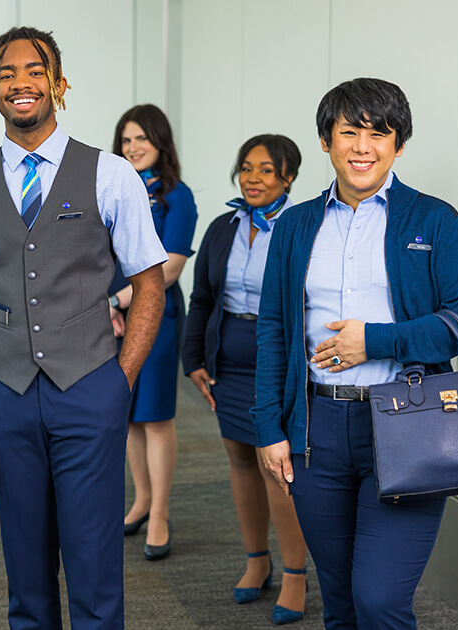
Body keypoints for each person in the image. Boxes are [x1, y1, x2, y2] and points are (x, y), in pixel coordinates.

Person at [0, 26, 167, 630]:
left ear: (59, 84)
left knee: (94, 576)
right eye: (6, 74)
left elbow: (150, 285)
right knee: (26, 582)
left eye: (35, 71)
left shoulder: (112, 175)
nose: (20, 83)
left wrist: (121, 381)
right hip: (3, 396)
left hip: (89, 388)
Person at [255, 78, 458, 629]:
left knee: (379, 601)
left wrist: (377, 340)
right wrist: (269, 425)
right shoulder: (294, 226)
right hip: (316, 430)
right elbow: (273, 329)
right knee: (339, 602)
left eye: (379, 134)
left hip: (406, 424)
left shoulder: (433, 221)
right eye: (350, 131)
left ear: (398, 145)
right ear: (325, 141)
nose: (363, 146)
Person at [181, 134, 310, 624]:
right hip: (227, 363)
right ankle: (257, 561)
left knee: (276, 468)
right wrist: (193, 357)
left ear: (288, 177)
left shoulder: (300, 227)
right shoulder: (223, 227)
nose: (254, 179)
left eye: (267, 170)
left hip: (273, 362)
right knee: (238, 458)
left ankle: (296, 574)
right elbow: (203, 298)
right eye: (247, 169)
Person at [108, 104, 197, 561]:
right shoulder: (113, 191)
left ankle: (159, 512)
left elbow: (170, 268)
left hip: (154, 316)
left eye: (141, 138)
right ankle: (140, 499)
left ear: (161, 141)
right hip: (111, 319)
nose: (133, 147)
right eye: (126, 140)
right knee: (127, 414)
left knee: (156, 416)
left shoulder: (177, 196)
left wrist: (114, 302)